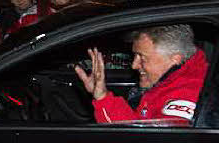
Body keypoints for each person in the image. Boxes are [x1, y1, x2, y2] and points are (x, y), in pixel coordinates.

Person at [74, 24, 206, 124]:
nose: (134, 65)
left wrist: (103, 100)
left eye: (141, 57)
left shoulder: (186, 96)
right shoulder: (170, 84)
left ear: (175, 59)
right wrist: (102, 95)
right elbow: (136, 127)